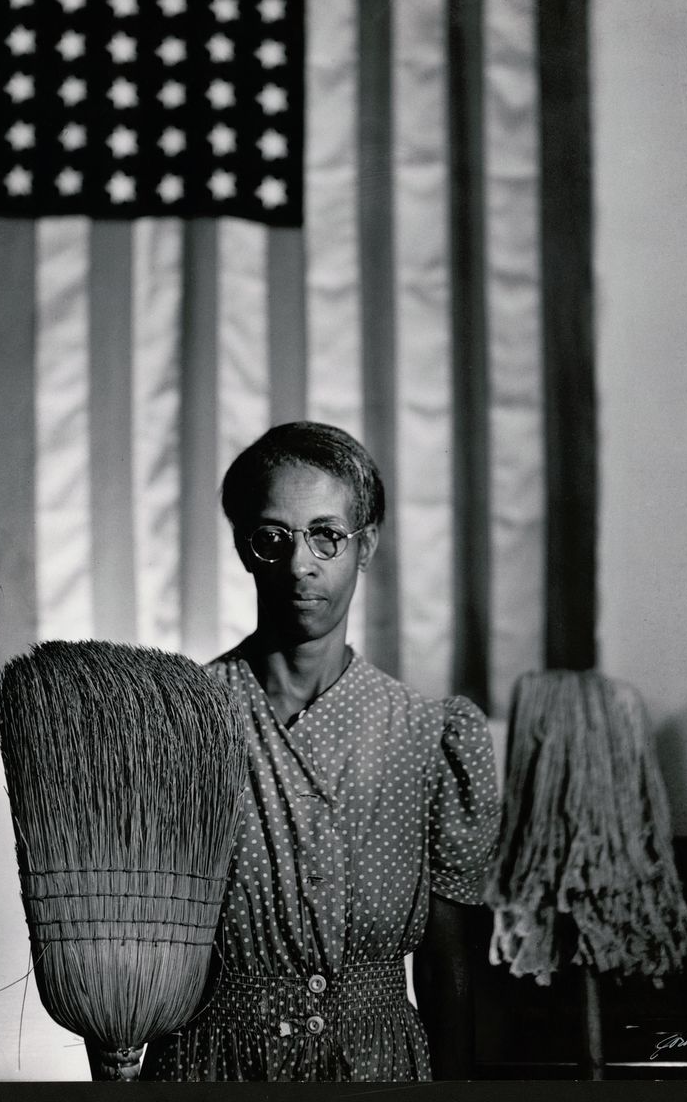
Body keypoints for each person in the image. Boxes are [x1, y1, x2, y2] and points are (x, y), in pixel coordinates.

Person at [141, 421, 500, 1082]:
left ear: (366, 546)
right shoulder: (181, 722)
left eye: (326, 536)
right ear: (245, 550)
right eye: (272, 538)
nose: (300, 565)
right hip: (213, 1067)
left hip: (380, 1067)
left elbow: (448, 968)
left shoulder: (426, 735)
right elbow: (135, 951)